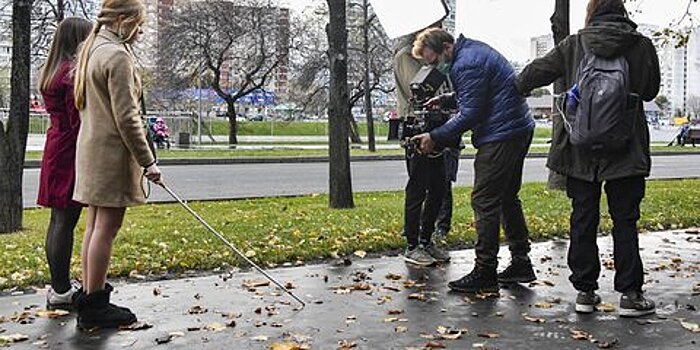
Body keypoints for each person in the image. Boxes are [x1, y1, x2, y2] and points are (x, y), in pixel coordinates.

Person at [516, 0, 660, 317]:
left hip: (580, 148)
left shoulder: (574, 44)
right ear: (622, 11)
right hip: (627, 147)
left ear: (591, 12)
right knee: (625, 220)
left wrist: (515, 86)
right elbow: (650, 92)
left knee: (583, 219)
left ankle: (585, 292)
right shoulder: (642, 46)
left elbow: (534, 74)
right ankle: (631, 295)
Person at [411, 28, 537, 294]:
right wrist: (447, 98)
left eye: (433, 61)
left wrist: (434, 136)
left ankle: (485, 271)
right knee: (506, 197)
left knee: (484, 199)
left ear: (446, 47)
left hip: (501, 134)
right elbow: (479, 92)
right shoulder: (470, 53)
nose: (434, 67)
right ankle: (520, 262)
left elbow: (470, 113)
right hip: (516, 127)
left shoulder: (466, 63)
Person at [72, 0, 161, 329]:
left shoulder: (92, 47)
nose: (140, 31)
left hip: (93, 150)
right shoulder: (118, 55)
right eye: (137, 23)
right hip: (110, 154)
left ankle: (88, 294)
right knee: (106, 229)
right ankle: (95, 306)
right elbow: (127, 117)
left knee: (95, 226)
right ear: (122, 20)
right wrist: (148, 161)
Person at [37, 16, 93, 310]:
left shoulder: (52, 72)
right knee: (64, 221)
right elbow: (78, 122)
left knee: (58, 220)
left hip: (56, 148)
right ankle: (61, 291)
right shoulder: (72, 76)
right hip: (69, 152)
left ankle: (59, 286)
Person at [394, 28, 456, 267]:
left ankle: (426, 239)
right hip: (417, 127)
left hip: (437, 126)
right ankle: (412, 245)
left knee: (439, 187)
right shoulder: (405, 56)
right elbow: (417, 91)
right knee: (418, 188)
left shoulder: (437, 61)